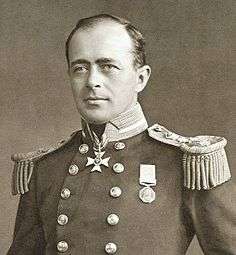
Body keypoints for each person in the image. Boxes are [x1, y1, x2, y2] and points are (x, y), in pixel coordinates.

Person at [8, 14, 235, 255]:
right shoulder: (47, 168)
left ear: (141, 78)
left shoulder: (187, 164)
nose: (92, 81)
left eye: (108, 67)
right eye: (80, 68)